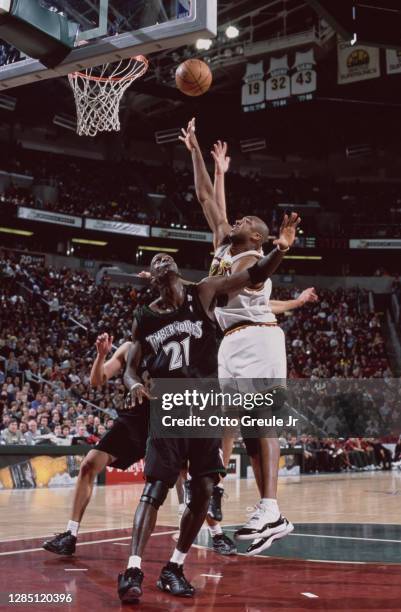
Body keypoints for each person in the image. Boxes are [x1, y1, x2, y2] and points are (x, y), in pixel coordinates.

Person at [117, 220, 299, 603]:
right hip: (168, 404)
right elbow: (131, 367)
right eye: (157, 259)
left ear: (178, 272)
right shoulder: (144, 317)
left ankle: (174, 567)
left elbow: (254, 273)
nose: (164, 258)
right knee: (155, 489)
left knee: (202, 490)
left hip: (204, 403)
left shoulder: (202, 291)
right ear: (153, 278)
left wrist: (280, 248)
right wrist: (133, 383)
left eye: (169, 257)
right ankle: (133, 567)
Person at [181, 118, 317, 556]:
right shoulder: (224, 243)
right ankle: (243, 500)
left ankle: (272, 507)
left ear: (255, 235)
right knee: (233, 423)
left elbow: (258, 274)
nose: (236, 217)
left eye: (246, 220)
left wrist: (282, 248)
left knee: (260, 424)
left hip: (258, 340)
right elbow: (206, 197)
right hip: (232, 342)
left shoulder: (255, 257)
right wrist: (196, 150)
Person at [42, 334, 149, 556]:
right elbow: (97, 380)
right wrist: (101, 355)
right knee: (88, 465)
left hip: (161, 420)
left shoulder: (173, 347)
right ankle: (70, 535)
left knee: (183, 474)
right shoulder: (129, 348)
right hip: (131, 419)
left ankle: (215, 533)